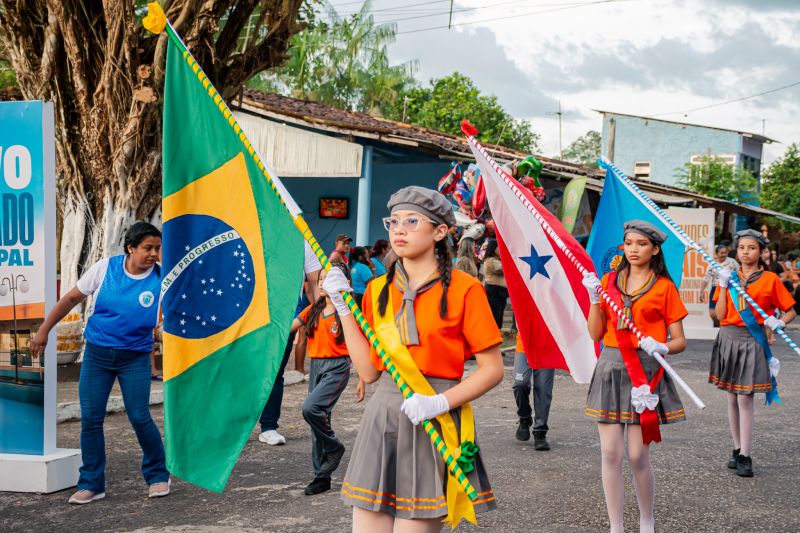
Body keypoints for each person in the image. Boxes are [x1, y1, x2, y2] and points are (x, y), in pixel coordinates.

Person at [322, 186, 503, 532]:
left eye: (412, 221)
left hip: (435, 417)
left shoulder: (466, 288)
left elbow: (493, 370)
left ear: (440, 232)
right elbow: (369, 371)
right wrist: (342, 307)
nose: (399, 230)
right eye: (393, 222)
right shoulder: (377, 289)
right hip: (384, 417)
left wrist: (439, 402)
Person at [30, 222, 170, 504]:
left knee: (139, 417)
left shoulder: (163, 278)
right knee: (91, 420)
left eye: (157, 248)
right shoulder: (105, 268)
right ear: (131, 248)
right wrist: (44, 330)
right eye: (148, 248)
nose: (154, 253)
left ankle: (157, 475)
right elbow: (70, 299)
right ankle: (92, 483)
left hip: (135, 357)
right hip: (98, 356)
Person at [582, 220, 688, 533]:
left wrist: (663, 345)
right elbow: (596, 333)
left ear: (655, 249)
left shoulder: (665, 287)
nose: (633, 249)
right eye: (628, 243)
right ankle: (616, 526)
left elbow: (680, 340)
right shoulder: (608, 281)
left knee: (637, 454)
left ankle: (646, 519)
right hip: (611, 368)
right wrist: (593, 298)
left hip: (646, 372)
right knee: (611, 453)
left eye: (641, 244)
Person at [709, 229, 796, 477]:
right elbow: (720, 314)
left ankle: (746, 454)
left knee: (745, 397)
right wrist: (723, 285)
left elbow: (790, 309)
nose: (746, 252)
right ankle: (736, 448)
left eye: (752, 248)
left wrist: (779, 322)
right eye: (743, 247)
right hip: (728, 337)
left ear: (761, 252)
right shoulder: (728, 276)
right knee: (731, 396)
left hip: (752, 339)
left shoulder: (770, 280)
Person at [282, 267, 360, 496]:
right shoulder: (312, 310)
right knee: (318, 420)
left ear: (344, 281)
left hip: (337, 367)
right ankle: (321, 476)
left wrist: (363, 379)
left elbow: (359, 344)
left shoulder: (348, 312)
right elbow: (289, 329)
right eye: (322, 278)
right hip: (316, 366)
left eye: (329, 278)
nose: (324, 282)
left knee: (311, 409)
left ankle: (335, 447)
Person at [258, 242, 322, 445]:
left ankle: (268, 427)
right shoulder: (251, 227)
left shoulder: (300, 241)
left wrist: (326, 313)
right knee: (238, 373)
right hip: (247, 318)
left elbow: (316, 280)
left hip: (283, 321)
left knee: (275, 373)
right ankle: (230, 428)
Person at [512, 332, 554, 450]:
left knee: (543, 389)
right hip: (524, 345)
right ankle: (524, 418)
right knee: (520, 384)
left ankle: (540, 432)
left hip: (547, 347)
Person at [699, 245, 738, 326]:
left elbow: (740, 272)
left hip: (728, 289)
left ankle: (723, 326)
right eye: (721, 253)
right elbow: (706, 278)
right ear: (716, 254)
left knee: (725, 312)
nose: (724, 254)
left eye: (725, 253)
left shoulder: (732, 262)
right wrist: (701, 291)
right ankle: (718, 325)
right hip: (715, 289)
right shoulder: (712, 264)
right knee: (712, 313)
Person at [482, 239, 508, 329]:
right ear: (493, 248)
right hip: (494, 292)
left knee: (499, 317)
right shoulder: (490, 260)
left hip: (500, 293)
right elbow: (501, 269)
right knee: (495, 317)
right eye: (498, 247)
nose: (500, 249)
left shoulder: (497, 260)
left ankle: (497, 335)